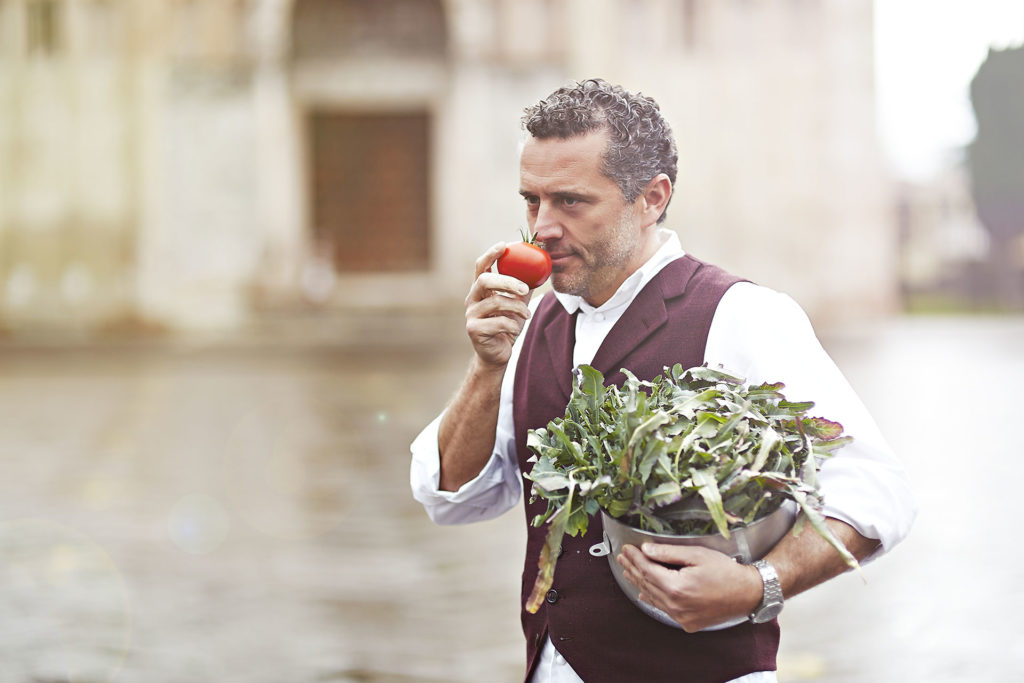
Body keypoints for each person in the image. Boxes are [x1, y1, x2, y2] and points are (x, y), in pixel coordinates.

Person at [409, 78, 915, 683]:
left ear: (651, 198)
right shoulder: (530, 324)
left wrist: (760, 586)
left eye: (570, 202)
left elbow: (876, 492)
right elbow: (454, 498)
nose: (541, 228)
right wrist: (488, 366)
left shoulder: (743, 314)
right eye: (531, 201)